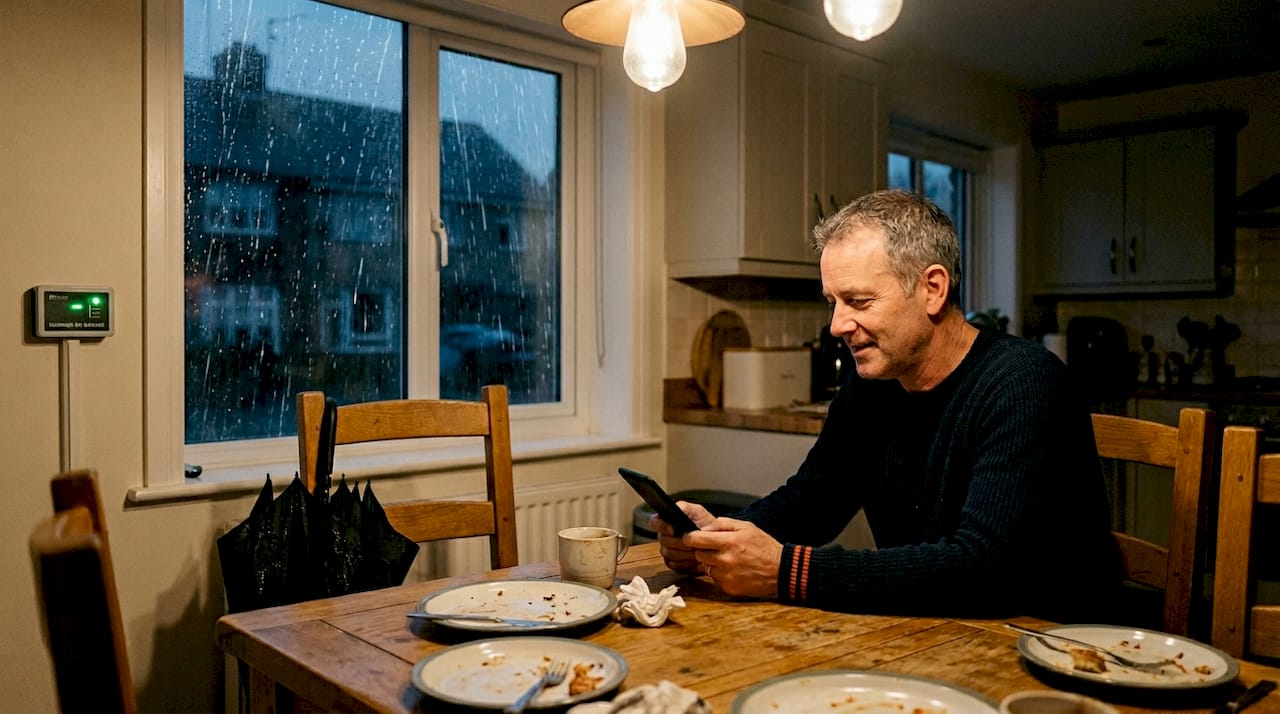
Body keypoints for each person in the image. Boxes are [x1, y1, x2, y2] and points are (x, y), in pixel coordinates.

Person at [653, 189, 1121, 621]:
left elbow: (985, 566)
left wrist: (787, 571)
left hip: (1051, 643)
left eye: (858, 300)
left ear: (932, 289)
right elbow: (813, 501)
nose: (837, 325)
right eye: (832, 302)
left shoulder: (1025, 382)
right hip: (937, 630)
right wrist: (717, 535)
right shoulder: (875, 384)